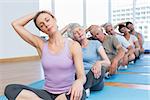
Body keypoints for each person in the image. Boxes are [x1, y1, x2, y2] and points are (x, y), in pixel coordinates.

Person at [4, 11, 86, 100]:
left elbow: (81, 75)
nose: (46, 25)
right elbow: (16, 24)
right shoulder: (41, 44)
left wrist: (78, 82)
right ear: (41, 30)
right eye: (41, 25)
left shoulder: (73, 46)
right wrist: (36, 13)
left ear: (54, 19)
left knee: (81, 94)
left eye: (47, 20)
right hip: (47, 94)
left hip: (67, 93)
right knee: (11, 89)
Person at [63, 23, 110, 96]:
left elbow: (108, 62)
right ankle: (84, 88)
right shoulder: (73, 47)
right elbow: (56, 40)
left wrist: (98, 63)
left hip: (95, 77)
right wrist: (66, 27)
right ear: (73, 37)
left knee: (102, 68)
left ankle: (84, 88)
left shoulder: (95, 43)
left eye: (80, 29)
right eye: (75, 33)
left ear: (84, 31)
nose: (79, 33)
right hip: (80, 78)